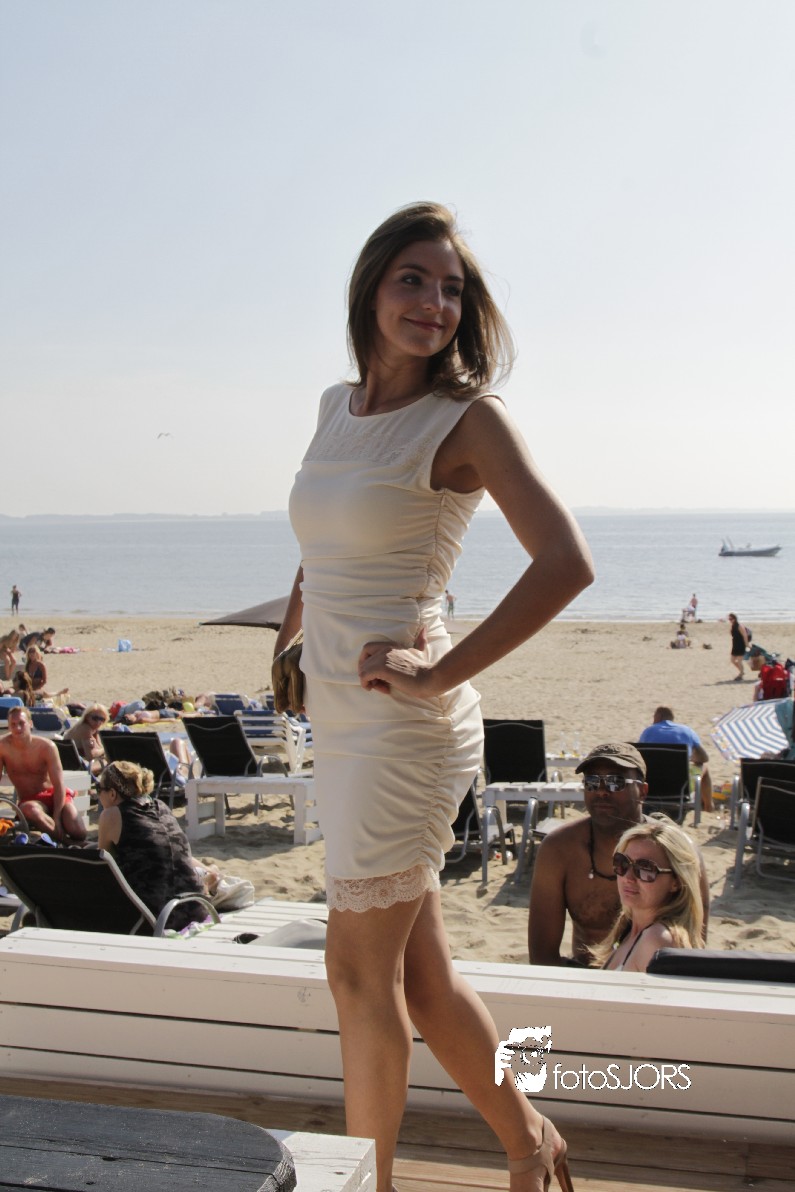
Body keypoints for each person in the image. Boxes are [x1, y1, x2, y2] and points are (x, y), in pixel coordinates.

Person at [273, 203, 593, 1192]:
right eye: (413, 279)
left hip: (404, 728)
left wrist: (439, 672)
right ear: (371, 288)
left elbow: (566, 563)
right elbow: (324, 543)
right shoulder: (335, 407)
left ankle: (361, 1185)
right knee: (422, 977)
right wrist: (289, 637)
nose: (434, 303)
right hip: (341, 717)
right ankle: (530, 1141)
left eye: (452, 289)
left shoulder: (467, 420)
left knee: (354, 973)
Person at [528, 743, 709, 968]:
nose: (602, 791)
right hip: (583, 976)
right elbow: (542, 955)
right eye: (592, 782)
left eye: (616, 782)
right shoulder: (559, 848)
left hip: (652, 980)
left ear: (642, 791)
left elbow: (695, 943)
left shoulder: (677, 853)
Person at [96, 760, 207, 931]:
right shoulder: (161, 806)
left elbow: (103, 865)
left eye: (99, 789)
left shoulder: (111, 815)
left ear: (112, 794)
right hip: (196, 908)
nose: (98, 795)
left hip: (155, 916)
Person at [589, 820, 705, 972]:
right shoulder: (628, 930)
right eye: (622, 863)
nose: (628, 877)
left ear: (676, 882)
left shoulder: (656, 940)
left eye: (645, 868)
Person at [0, 705, 87, 842]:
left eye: (21, 723)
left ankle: (68, 842)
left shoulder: (47, 747)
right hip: (31, 801)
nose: (17, 728)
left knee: (79, 832)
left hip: (54, 796)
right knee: (30, 809)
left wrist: (57, 817)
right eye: (13, 724)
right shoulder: (3, 747)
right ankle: (67, 844)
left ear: (30, 723)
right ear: (9, 726)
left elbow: (59, 785)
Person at [638, 706, 714, 812]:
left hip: (651, 787)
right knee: (704, 767)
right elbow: (704, 758)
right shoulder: (687, 731)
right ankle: (708, 806)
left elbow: (640, 755)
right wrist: (691, 759)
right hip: (680, 789)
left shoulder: (648, 732)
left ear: (658, 716)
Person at [64, 704, 110, 772]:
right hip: (77, 767)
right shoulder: (85, 729)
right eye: (95, 718)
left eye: (102, 719)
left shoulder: (92, 729)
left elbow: (98, 748)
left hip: (72, 764)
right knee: (110, 762)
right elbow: (90, 756)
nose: (98, 722)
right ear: (87, 717)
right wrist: (106, 749)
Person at [728, 613, 749, 681]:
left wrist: (747, 644)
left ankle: (741, 674)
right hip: (735, 645)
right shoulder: (732, 626)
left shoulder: (739, 626)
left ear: (734, 619)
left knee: (739, 661)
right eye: (729, 619)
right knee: (732, 660)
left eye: (731, 619)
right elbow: (732, 634)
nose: (730, 620)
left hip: (741, 645)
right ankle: (741, 671)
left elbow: (745, 635)